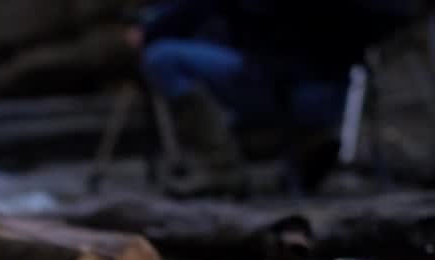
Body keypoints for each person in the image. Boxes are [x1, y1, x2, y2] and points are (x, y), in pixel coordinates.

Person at [129, 0, 423, 197]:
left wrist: (150, 29)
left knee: (163, 58)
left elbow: (194, 8)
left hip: (283, 87)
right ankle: (308, 144)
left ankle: (220, 167)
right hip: (333, 96)